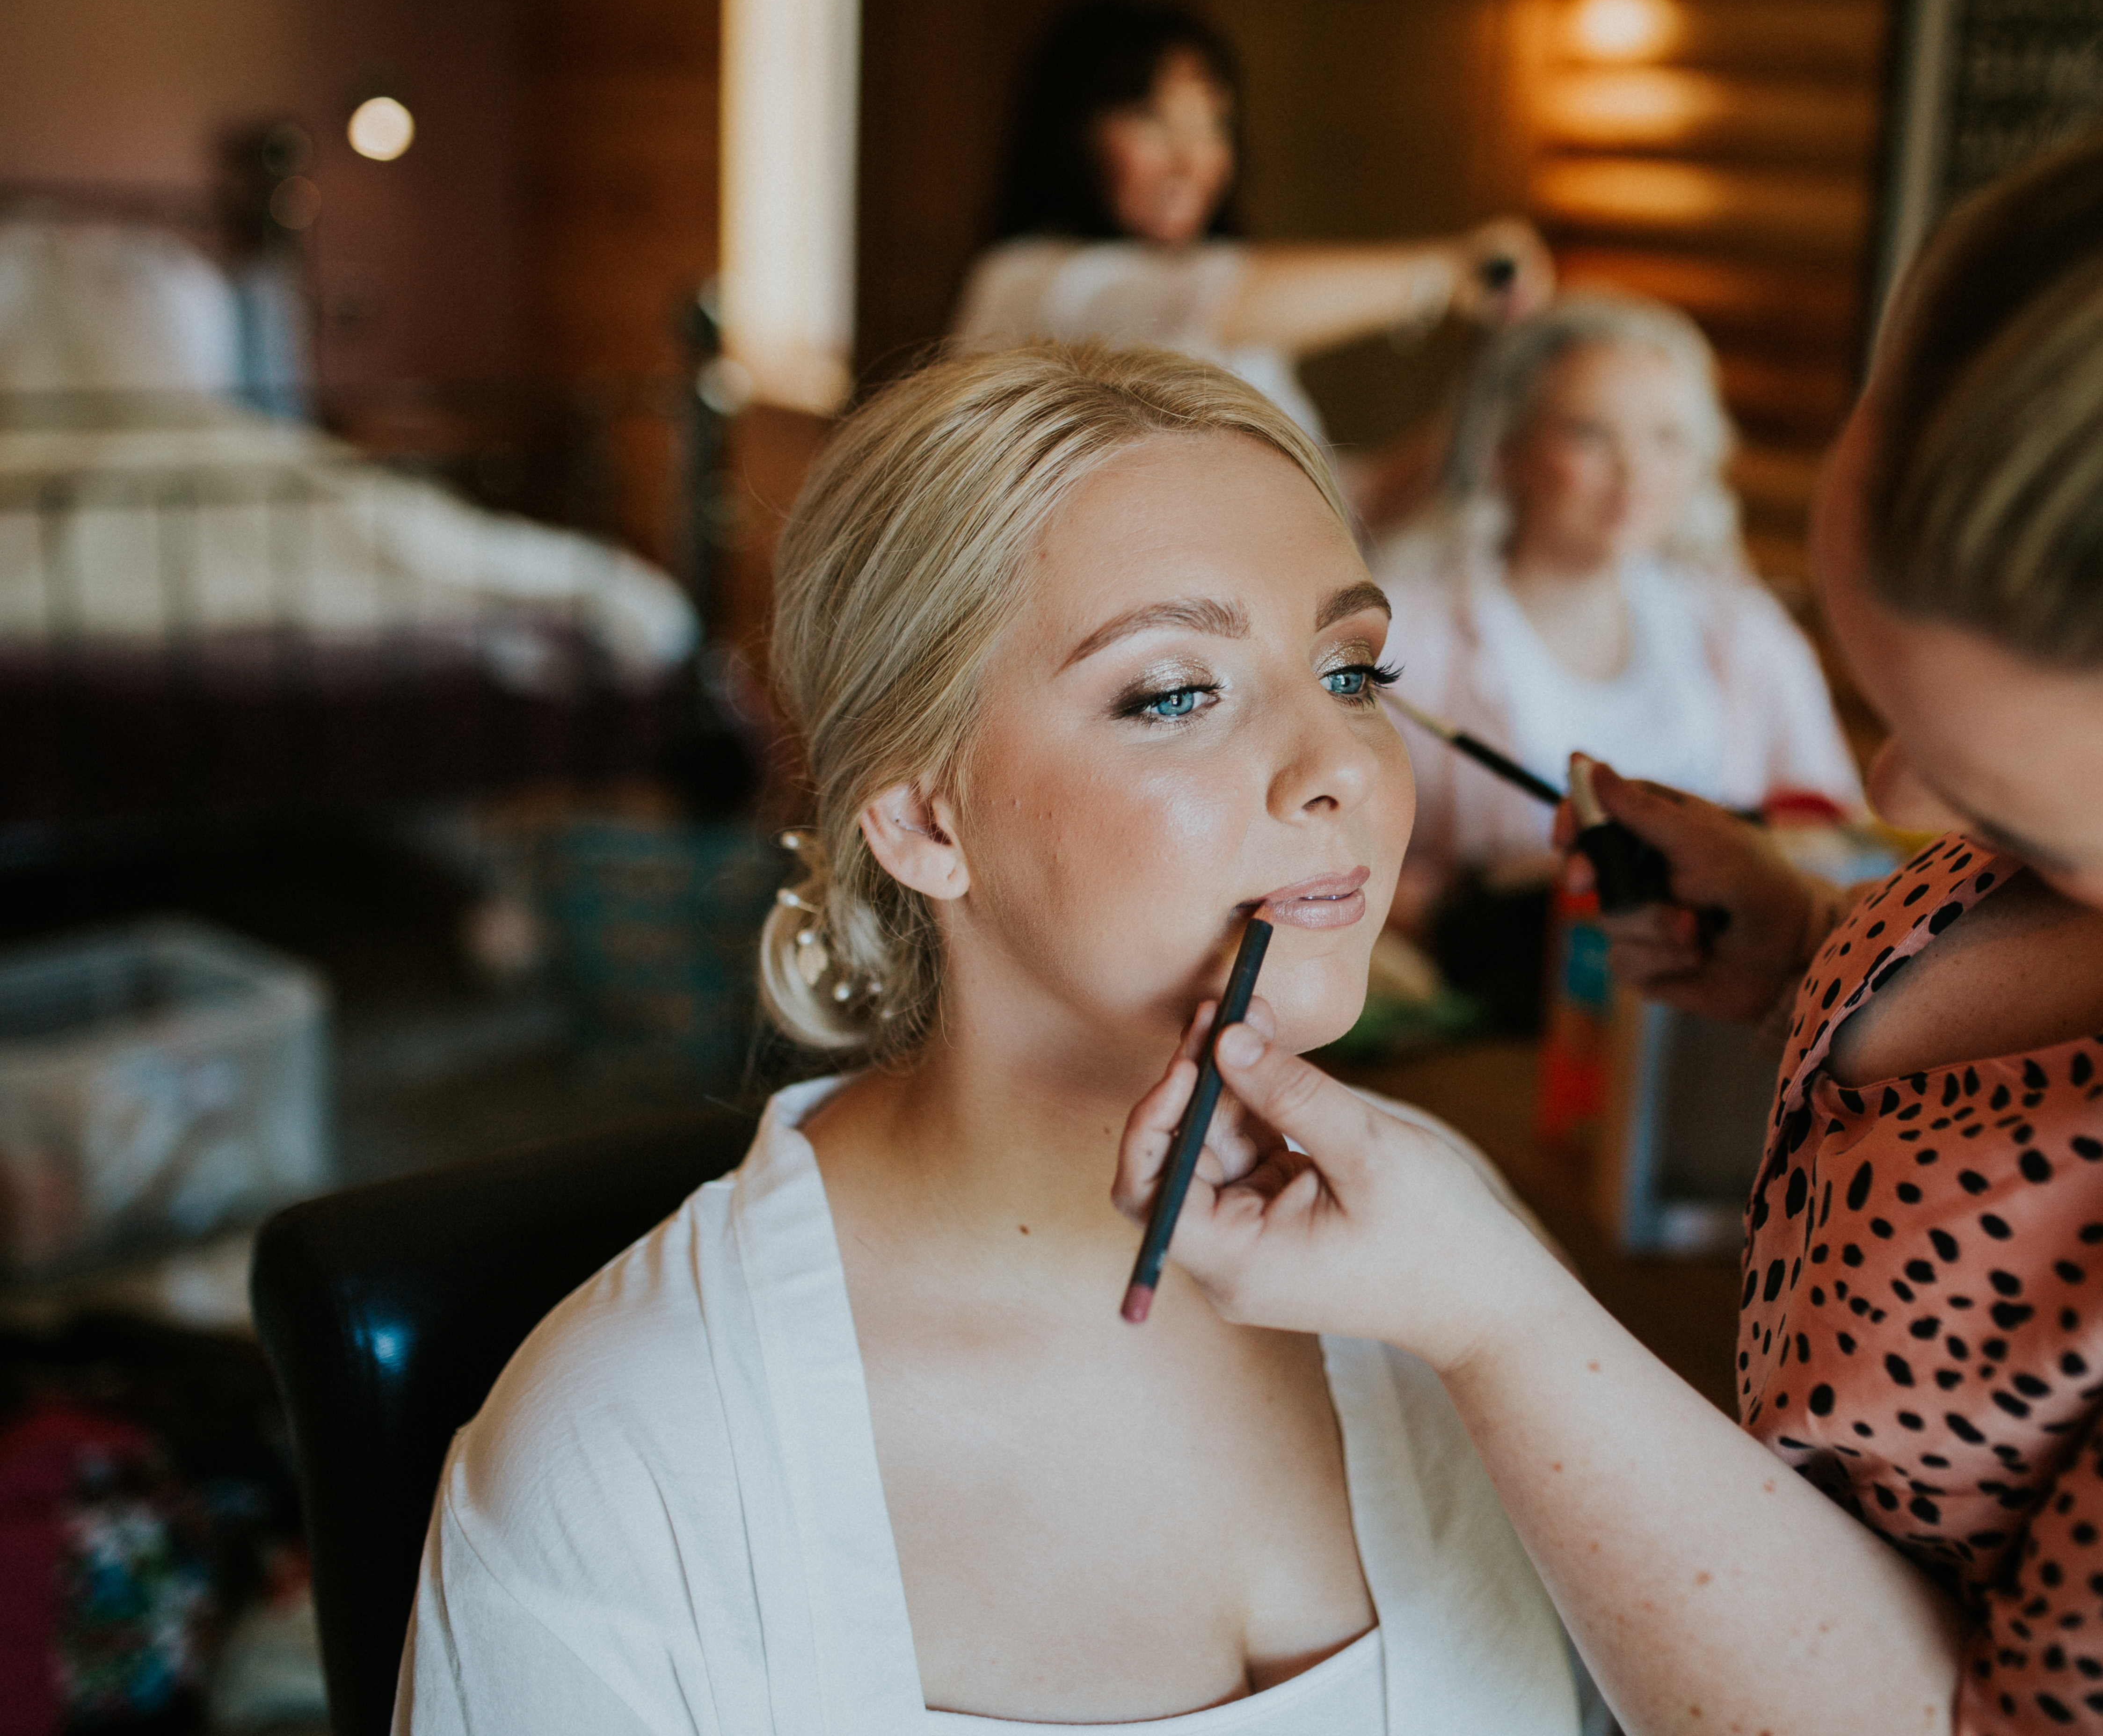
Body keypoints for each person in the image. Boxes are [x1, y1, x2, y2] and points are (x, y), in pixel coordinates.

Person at [1111, 0, 2103, 1732]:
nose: (1898, 797)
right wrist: (1809, 941)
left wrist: (1499, 1313)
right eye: (1873, 680)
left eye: (2019, 823)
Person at [394, 343, 1583, 1733]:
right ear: (922, 821)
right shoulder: (621, 1461)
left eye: (1351, 672)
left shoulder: (1447, 1245)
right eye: (1174, 693)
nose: (1338, 769)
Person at [949, 0, 1551, 527]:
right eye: (1153, 119)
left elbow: (1336, 503)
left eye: (1212, 123)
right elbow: (1213, 300)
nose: (1192, 160)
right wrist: (1451, 272)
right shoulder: (1027, 281)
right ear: (1070, 134)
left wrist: (1471, 440)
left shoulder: (1248, 331)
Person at [1376, 290, 1864, 936]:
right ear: (1507, 448)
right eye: (1590, 433)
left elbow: (1842, 838)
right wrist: (1476, 914)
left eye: (1667, 438)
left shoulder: (1743, 630)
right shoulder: (1403, 633)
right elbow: (1332, 861)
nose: (1634, 471)